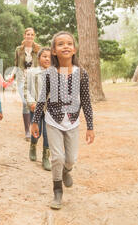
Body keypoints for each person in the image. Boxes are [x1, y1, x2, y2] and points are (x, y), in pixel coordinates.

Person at [31, 31, 95, 210]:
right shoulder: (50, 73)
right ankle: (57, 191)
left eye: (69, 43)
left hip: (73, 121)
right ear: (53, 51)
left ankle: (67, 170)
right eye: (60, 44)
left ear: (74, 49)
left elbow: (86, 101)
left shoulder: (81, 73)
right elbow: (42, 98)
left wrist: (90, 126)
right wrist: (35, 121)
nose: (65, 46)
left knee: (71, 158)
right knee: (57, 157)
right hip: (53, 121)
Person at [24, 47, 51, 171]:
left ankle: (46, 157)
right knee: (37, 132)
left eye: (50, 57)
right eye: (45, 56)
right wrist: (31, 102)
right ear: (39, 58)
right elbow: (26, 89)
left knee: (48, 134)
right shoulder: (31, 72)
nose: (47, 59)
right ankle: (33, 146)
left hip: (50, 110)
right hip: (35, 107)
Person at [14, 27, 41, 141]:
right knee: (26, 103)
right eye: (27, 34)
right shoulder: (19, 50)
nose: (29, 36)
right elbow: (16, 64)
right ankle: (27, 130)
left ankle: (34, 126)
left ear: (34, 36)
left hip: (34, 79)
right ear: (24, 36)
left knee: (34, 103)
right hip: (22, 79)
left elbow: (41, 63)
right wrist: (12, 76)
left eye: (31, 34)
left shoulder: (38, 49)